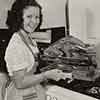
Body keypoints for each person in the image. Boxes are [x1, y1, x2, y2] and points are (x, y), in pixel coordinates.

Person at [4, 0, 69, 100]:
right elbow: (20, 83)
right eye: (29, 17)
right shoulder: (16, 45)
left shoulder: (29, 39)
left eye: (37, 17)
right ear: (19, 18)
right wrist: (46, 75)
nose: (34, 21)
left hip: (33, 90)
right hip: (21, 95)